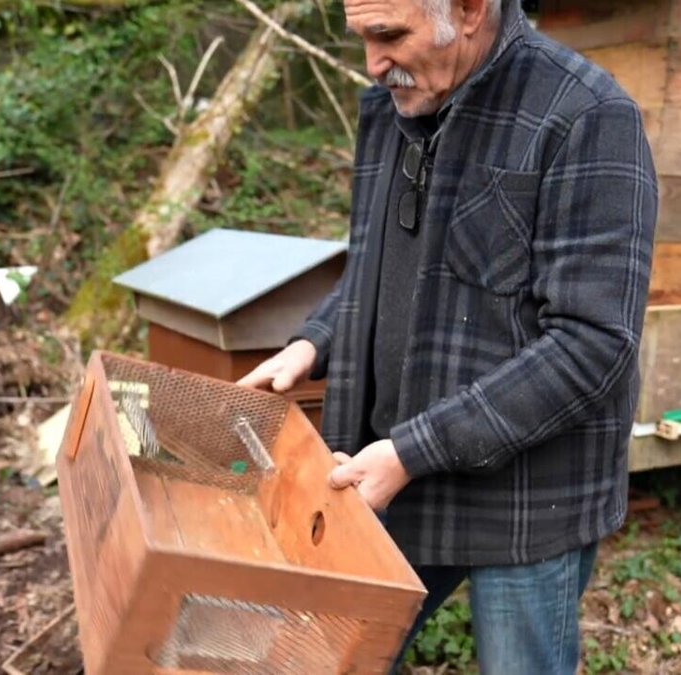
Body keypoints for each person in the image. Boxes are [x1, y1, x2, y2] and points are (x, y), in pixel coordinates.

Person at [238, 0, 658, 672]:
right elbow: (379, 266)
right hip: (395, 475)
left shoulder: (585, 116)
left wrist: (412, 448)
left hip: (525, 500)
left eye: (390, 36)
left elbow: (592, 343)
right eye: (362, 39)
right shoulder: (391, 106)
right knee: (334, 657)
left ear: (467, 10)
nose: (373, 64)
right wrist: (312, 341)